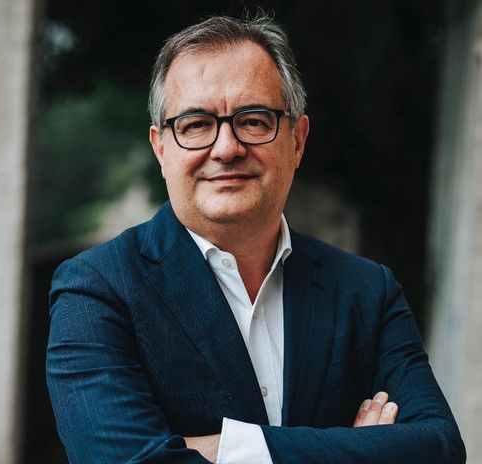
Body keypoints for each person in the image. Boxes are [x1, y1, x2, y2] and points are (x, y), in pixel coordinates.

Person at [46, 14, 466, 464]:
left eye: (253, 120)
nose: (226, 148)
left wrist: (223, 448)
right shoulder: (97, 289)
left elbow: (439, 447)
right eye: (195, 124)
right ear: (161, 148)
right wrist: (358, 450)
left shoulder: (368, 292)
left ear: (298, 141)